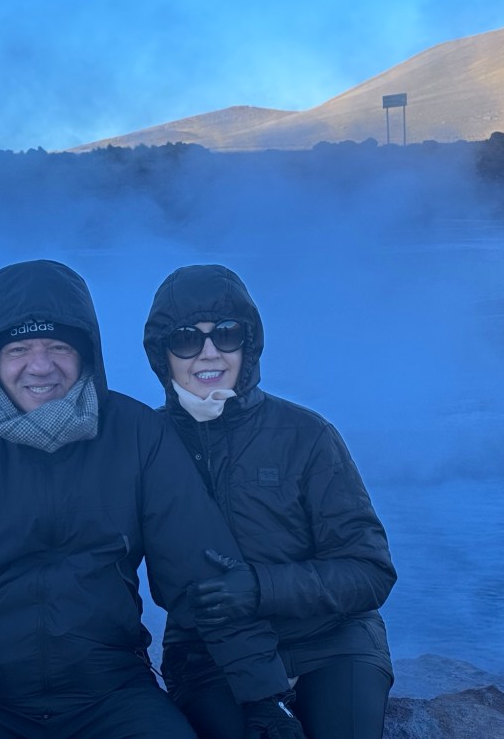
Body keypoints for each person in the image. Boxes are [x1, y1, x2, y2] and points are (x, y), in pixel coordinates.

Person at [0, 259, 305, 739]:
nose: (41, 366)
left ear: (87, 353)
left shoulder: (137, 435)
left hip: (112, 695)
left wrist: (262, 695)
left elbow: (201, 573)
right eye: (19, 349)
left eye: (59, 346)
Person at [143, 264, 398, 739]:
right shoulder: (147, 446)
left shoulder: (307, 435)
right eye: (185, 339)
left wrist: (262, 587)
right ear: (163, 353)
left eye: (226, 333)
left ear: (249, 343)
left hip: (331, 642)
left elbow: (370, 571)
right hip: (208, 656)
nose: (209, 352)